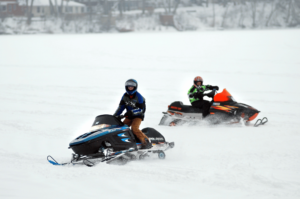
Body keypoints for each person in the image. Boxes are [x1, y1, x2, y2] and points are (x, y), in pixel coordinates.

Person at [113, 79, 152, 149]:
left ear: (135, 87)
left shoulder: (139, 97)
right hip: (129, 116)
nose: (130, 88)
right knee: (121, 128)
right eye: (129, 87)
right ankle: (124, 143)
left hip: (138, 116)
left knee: (134, 128)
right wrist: (114, 116)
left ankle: (146, 143)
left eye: (132, 87)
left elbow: (141, 109)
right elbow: (120, 108)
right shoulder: (125, 96)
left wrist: (131, 112)